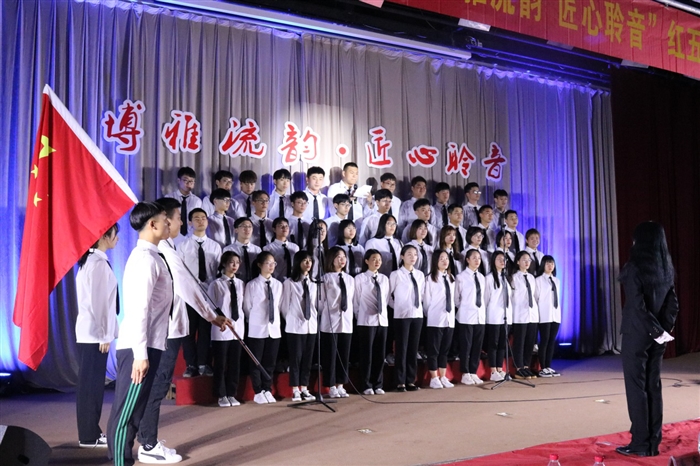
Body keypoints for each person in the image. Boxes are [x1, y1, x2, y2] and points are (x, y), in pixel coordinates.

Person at [137, 198, 229, 455]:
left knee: (159, 383)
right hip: (165, 330)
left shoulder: (168, 247)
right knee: (158, 384)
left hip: (170, 327)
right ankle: (148, 444)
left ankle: (147, 438)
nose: (179, 223)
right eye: (178, 218)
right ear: (165, 220)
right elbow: (187, 286)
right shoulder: (162, 250)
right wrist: (211, 315)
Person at [106, 202, 179, 465]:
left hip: (150, 345)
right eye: (165, 219)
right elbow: (139, 309)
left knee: (134, 413)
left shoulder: (154, 256)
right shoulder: (145, 259)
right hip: (139, 347)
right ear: (152, 224)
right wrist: (140, 354)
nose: (169, 223)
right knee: (126, 415)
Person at [616, 222, 678, 458]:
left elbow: (637, 306)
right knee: (653, 386)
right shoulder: (665, 266)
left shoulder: (634, 267)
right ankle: (652, 441)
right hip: (658, 335)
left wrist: (656, 331)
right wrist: (663, 330)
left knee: (637, 388)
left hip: (637, 334)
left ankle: (641, 443)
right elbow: (673, 303)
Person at [75, 223, 120, 448]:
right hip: (95, 334)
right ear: (103, 236)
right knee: (91, 386)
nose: (117, 238)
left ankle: (89, 432)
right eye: (115, 234)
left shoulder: (91, 261)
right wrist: (104, 335)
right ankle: (89, 435)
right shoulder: (97, 263)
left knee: (90, 385)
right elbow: (99, 303)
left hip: (90, 333)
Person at [178, 208, 221, 378]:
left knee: (205, 330)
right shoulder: (183, 246)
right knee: (189, 331)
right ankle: (191, 364)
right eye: (196, 218)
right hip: (189, 294)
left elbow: (217, 271)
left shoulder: (215, 246)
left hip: (208, 294)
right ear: (190, 222)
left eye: (203, 218)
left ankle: (204, 363)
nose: (201, 221)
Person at [243, 251, 283, 404]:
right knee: (256, 361)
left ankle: (267, 389)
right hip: (257, 328)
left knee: (270, 362)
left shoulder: (278, 285)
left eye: (273, 263)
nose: (271, 266)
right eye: (268, 263)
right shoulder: (252, 285)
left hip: (274, 329)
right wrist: (254, 320)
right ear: (260, 265)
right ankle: (258, 390)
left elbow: (279, 306)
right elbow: (247, 307)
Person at [208, 251, 246, 407]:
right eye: (231, 262)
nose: (235, 265)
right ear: (224, 264)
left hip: (237, 328)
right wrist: (219, 319)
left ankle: (232, 393)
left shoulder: (241, 284)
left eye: (237, 262)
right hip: (221, 329)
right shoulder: (216, 284)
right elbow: (210, 307)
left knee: (235, 363)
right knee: (221, 363)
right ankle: (221, 394)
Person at [280, 252, 318, 402]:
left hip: (311, 325)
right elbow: (284, 305)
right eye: (304, 261)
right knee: (296, 359)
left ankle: (305, 387)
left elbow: (316, 305)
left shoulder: (314, 283)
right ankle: (295, 389)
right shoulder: (290, 283)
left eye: (310, 261)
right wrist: (291, 318)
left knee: (308, 359)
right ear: (298, 263)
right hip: (295, 326)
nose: (308, 263)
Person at [320, 247, 355, 398]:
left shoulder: (350, 279)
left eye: (344, 257)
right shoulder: (326, 278)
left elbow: (352, 299)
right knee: (330, 356)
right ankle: (331, 385)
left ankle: (341, 384)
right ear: (331, 259)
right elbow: (321, 301)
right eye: (338, 257)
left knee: (344, 354)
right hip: (330, 321)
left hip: (346, 321)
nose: (342, 260)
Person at [353, 249, 390, 395]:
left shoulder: (384, 279)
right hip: (365, 321)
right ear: (367, 261)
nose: (377, 262)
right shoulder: (360, 278)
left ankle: (378, 383)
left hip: (382, 320)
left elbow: (385, 298)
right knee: (366, 355)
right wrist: (359, 315)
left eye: (379, 259)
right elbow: (356, 300)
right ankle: (366, 384)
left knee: (380, 354)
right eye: (374, 259)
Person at [389, 245, 424, 392]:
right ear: (402, 256)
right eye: (409, 254)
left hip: (417, 315)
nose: (412, 257)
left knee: (413, 349)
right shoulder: (396, 274)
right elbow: (388, 296)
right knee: (401, 348)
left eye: (415, 254)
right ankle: (400, 381)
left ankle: (410, 380)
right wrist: (398, 306)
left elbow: (422, 295)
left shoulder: (420, 275)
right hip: (401, 316)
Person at [423, 249, 456, 389]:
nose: (445, 261)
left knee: (444, 350)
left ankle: (443, 376)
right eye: (441, 258)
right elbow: (426, 301)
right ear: (435, 261)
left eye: (446, 258)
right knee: (434, 351)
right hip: (435, 319)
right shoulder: (430, 278)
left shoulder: (451, 278)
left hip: (449, 319)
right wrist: (431, 314)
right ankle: (434, 378)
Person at [454, 249, 486, 385]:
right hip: (466, 316)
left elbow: (484, 297)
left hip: (480, 316)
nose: (477, 260)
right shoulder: (461, 277)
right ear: (467, 260)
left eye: (479, 258)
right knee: (466, 346)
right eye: (474, 258)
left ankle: (473, 371)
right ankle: (465, 373)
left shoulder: (482, 277)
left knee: (477, 346)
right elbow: (456, 298)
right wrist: (465, 307)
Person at [483, 251, 512, 382]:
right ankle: (493, 370)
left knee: (502, 344)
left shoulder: (506, 277)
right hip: (494, 315)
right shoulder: (489, 278)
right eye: (499, 259)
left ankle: (500, 369)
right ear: (493, 261)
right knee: (493, 344)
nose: (502, 261)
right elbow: (486, 298)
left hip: (506, 316)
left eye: (504, 259)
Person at [510, 251, 539, 379]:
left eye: (529, 260)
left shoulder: (532, 278)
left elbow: (535, 295)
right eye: (524, 260)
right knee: (519, 342)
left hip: (532, 314)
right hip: (519, 314)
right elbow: (511, 297)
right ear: (518, 262)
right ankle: (519, 368)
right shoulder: (513, 278)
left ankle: (526, 366)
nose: (527, 262)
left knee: (529, 342)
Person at [535, 255, 561, 378]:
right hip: (544, 314)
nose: (550, 266)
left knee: (551, 341)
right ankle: (542, 367)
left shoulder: (556, 280)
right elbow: (536, 297)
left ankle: (548, 366)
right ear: (543, 265)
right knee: (544, 340)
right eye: (547, 263)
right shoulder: (539, 280)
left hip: (555, 314)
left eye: (552, 263)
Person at [165, 167, 202, 242]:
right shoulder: (169, 198)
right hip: (173, 236)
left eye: (191, 181)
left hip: (191, 237)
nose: (189, 183)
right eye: (185, 180)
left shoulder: (197, 201)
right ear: (179, 180)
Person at [223, 217, 261, 283]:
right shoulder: (228, 249)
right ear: (236, 230)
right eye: (244, 226)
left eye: (250, 226)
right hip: (235, 283)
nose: (247, 229)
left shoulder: (257, 250)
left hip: (254, 283)